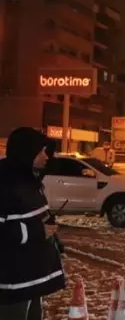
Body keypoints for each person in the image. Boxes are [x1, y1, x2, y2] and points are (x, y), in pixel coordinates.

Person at [0, 127, 66, 320]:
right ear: (26, 152)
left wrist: (51, 232)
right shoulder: (4, 183)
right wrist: (38, 231)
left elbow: (33, 213)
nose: (46, 157)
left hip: (31, 280)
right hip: (12, 284)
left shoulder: (29, 180)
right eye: (41, 152)